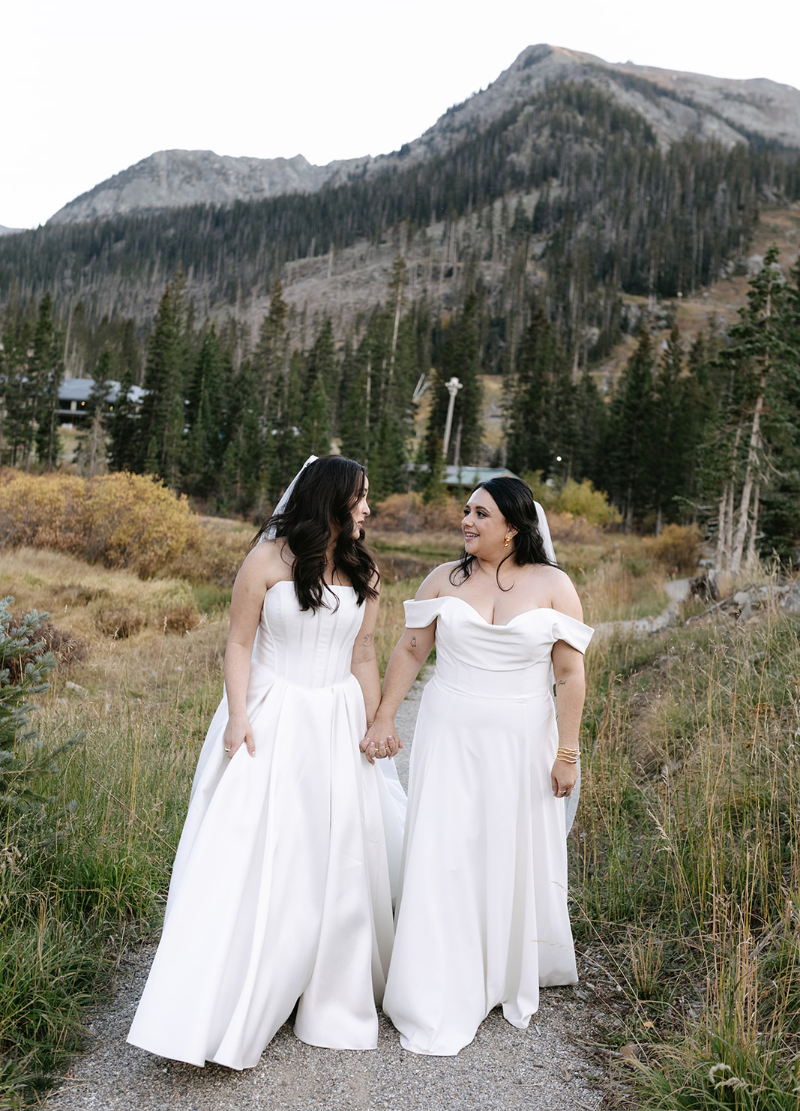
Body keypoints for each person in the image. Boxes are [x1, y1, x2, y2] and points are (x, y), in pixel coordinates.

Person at [128, 455, 405, 1069]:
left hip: (335, 720)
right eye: (360, 497)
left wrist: (375, 720)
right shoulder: (267, 560)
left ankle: (321, 985)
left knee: (332, 851)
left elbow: (363, 653)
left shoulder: (365, 569)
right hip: (271, 713)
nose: (368, 509)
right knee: (256, 849)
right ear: (329, 500)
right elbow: (238, 642)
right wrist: (237, 716)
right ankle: (234, 993)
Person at [363, 477, 593, 1056]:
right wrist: (385, 717)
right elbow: (412, 649)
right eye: (466, 511)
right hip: (449, 731)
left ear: (514, 526)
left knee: (507, 846)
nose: (466, 521)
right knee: (445, 844)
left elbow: (569, 675)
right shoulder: (443, 579)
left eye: (480, 514)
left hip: (522, 739)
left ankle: (503, 966)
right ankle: (438, 970)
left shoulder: (555, 586)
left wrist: (568, 754)